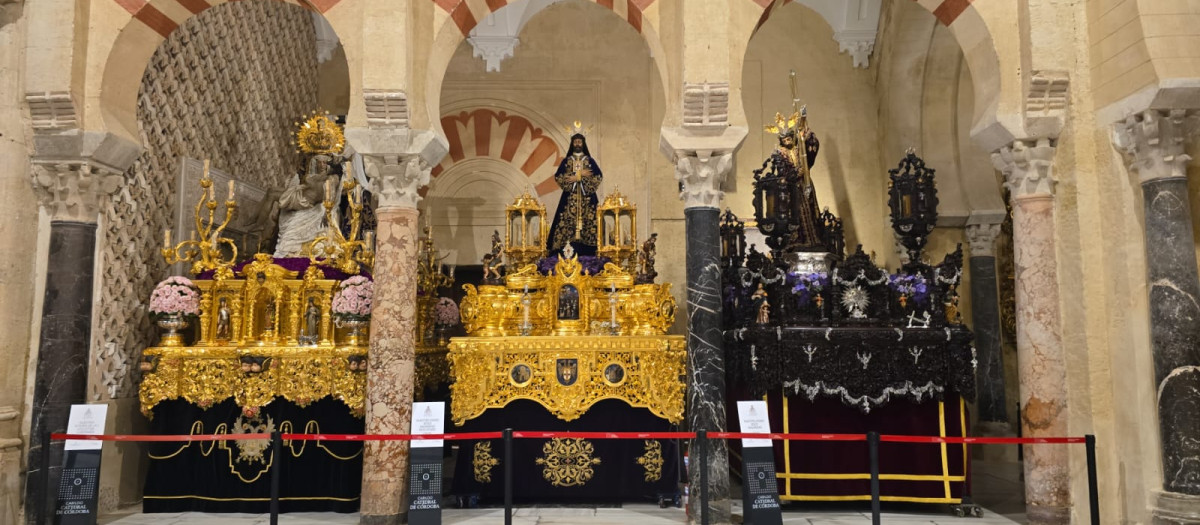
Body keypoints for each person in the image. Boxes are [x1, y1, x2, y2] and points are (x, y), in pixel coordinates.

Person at [273, 155, 340, 258]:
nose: (322, 165)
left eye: (325, 162)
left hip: (311, 204)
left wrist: (326, 211)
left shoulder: (331, 179)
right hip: (302, 200)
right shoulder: (312, 176)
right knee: (273, 195)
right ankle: (256, 224)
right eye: (319, 162)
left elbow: (330, 196)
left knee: (273, 195)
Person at [547, 133, 602, 256]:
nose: (577, 144)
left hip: (587, 199)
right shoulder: (566, 161)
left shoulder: (589, 161)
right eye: (575, 142)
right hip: (569, 198)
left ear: (583, 144)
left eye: (579, 142)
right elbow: (558, 177)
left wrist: (578, 177)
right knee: (565, 222)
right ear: (572, 144)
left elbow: (598, 176)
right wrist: (578, 175)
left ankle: (590, 253)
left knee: (591, 223)